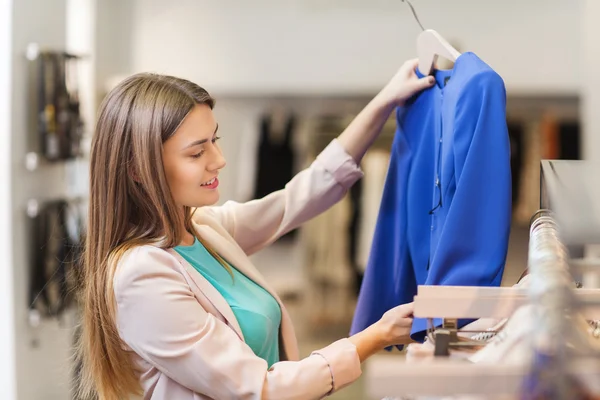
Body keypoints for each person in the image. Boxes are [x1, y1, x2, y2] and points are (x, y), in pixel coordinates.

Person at [77, 59, 435, 400]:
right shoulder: (141, 277)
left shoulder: (202, 228)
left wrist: (385, 101)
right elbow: (261, 390)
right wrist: (374, 338)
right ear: (140, 169)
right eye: (196, 153)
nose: (218, 160)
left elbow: (300, 197)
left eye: (214, 141)